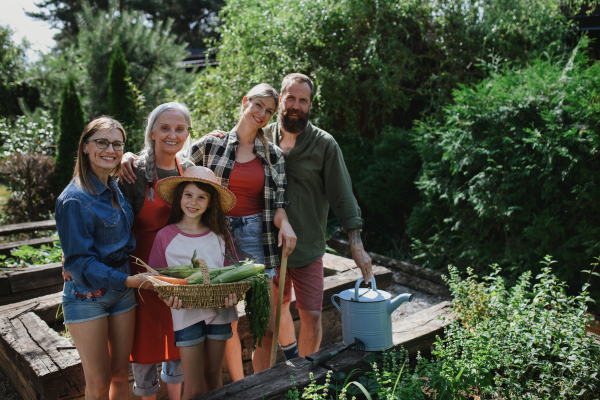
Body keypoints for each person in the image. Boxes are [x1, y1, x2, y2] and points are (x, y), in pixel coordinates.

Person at [121, 83, 297, 377]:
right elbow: (168, 153)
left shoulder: (273, 155)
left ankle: (253, 385)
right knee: (204, 319)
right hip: (189, 245)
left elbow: (278, 204)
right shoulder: (210, 145)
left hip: (240, 238)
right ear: (245, 102)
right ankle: (223, 384)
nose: (262, 114)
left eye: (269, 111)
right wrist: (128, 155)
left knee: (248, 319)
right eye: (258, 106)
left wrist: (286, 223)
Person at [264, 73, 373, 365]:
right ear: (280, 99)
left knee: (312, 316)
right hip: (267, 248)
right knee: (275, 314)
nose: (296, 105)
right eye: (291, 98)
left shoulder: (324, 144)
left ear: (311, 105)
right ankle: (288, 360)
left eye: (303, 100)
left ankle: (304, 376)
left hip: (308, 246)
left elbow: (343, 195)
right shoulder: (261, 136)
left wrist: (356, 243)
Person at [55, 116, 149, 400]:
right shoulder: (74, 198)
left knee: (121, 374)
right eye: (102, 142)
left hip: (121, 293)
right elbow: (81, 263)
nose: (110, 149)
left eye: (117, 144)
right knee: (98, 382)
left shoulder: (115, 187)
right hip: (88, 297)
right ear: (85, 147)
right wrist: (131, 281)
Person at [118, 103, 195, 400]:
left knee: (179, 339)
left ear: (188, 133)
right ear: (151, 132)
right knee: (145, 343)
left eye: (179, 128)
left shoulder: (189, 170)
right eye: (165, 127)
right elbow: (112, 223)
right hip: (141, 272)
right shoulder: (132, 172)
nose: (172, 134)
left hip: (178, 269)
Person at [150, 166, 239, 399]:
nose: (193, 202)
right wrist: (167, 296)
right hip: (186, 315)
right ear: (180, 197)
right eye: (188, 195)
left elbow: (234, 274)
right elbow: (157, 280)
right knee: (193, 386)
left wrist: (233, 297)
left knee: (213, 377)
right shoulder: (165, 236)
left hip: (220, 313)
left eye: (202, 197)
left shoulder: (220, 235)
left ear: (210, 203)